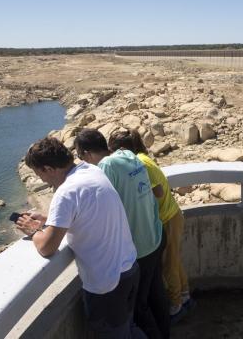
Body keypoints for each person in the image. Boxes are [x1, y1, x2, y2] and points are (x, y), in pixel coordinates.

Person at [15, 137, 144, 339]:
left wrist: (33, 231)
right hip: (128, 268)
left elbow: (47, 247)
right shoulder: (90, 170)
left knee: (113, 334)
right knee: (128, 327)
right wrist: (50, 219)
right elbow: (87, 213)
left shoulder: (66, 192)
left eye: (39, 173)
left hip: (106, 284)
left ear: (49, 169)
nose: (41, 180)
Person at [74, 129, 169, 339]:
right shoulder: (127, 155)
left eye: (81, 157)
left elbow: (98, 206)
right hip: (155, 235)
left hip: (140, 248)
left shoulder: (106, 167)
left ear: (86, 153)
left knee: (140, 308)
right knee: (156, 294)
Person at [108, 130, 192, 320]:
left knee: (169, 264)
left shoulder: (140, 162)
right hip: (170, 215)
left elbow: (159, 191)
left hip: (168, 218)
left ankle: (176, 303)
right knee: (174, 259)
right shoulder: (141, 158)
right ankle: (185, 294)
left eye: (112, 151)